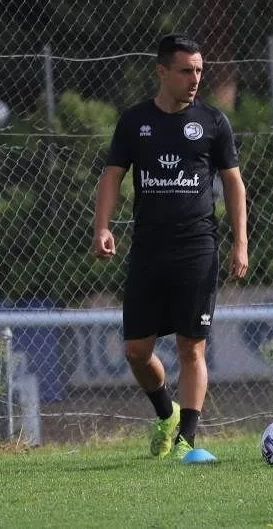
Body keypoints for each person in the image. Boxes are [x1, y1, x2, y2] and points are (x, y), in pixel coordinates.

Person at [91, 33, 248, 461]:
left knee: (191, 347)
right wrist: (102, 226)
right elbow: (112, 175)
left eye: (199, 70)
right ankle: (167, 414)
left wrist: (240, 243)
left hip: (197, 247)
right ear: (162, 72)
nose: (194, 78)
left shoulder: (213, 122)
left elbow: (233, 182)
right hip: (147, 249)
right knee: (136, 351)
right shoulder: (135, 121)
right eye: (185, 71)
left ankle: (187, 443)